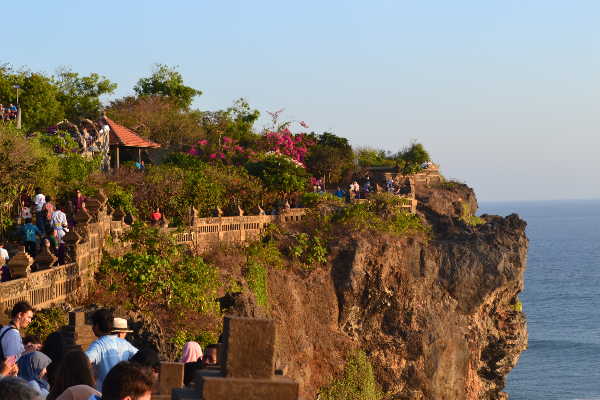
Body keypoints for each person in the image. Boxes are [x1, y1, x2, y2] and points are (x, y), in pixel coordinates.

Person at [85, 309, 138, 390]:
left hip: (103, 394)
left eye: (93, 325)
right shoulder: (124, 343)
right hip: (122, 393)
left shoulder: (98, 345)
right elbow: (141, 357)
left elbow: (83, 361)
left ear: (97, 326)